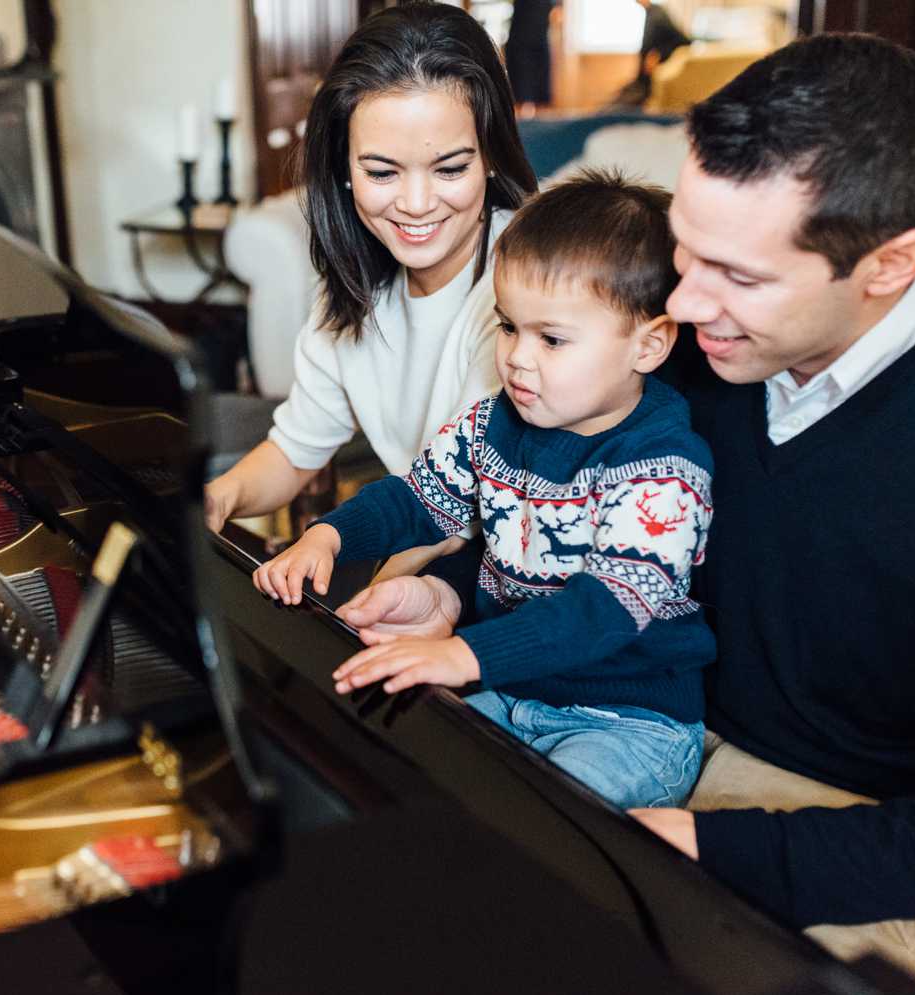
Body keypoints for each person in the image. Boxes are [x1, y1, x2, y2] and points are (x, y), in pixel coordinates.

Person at [335, 33, 915, 995]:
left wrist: (710, 844)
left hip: (865, 835)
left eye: (736, 274)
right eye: (685, 253)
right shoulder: (688, 341)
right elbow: (566, 518)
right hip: (654, 724)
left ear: (890, 264)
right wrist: (449, 590)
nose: (687, 303)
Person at [254, 171, 715, 811]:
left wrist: (464, 655)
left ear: (650, 345)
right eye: (508, 327)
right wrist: (326, 535)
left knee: (540, 824)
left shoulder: (664, 467)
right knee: (399, 772)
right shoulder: (495, 422)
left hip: (631, 722)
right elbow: (413, 499)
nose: (518, 358)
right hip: (514, 687)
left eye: (552, 338)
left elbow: (603, 610)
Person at [205, 1, 540, 574]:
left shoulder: (528, 289)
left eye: (450, 169)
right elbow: (295, 450)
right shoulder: (357, 285)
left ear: (490, 157)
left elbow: (455, 513)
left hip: (503, 576)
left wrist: (363, 618)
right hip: (416, 544)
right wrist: (216, 501)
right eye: (382, 172)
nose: (415, 205)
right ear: (344, 169)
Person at [611, 0, 690, 108]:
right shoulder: (650, 12)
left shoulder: (658, 15)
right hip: (643, 77)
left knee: (623, 106)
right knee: (618, 99)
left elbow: (682, 41)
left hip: (650, 80)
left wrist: (659, 54)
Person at [504, 1, 560, 119]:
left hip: (540, 40)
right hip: (521, 41)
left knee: (541, 96)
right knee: (524, 94)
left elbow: (557, 13)